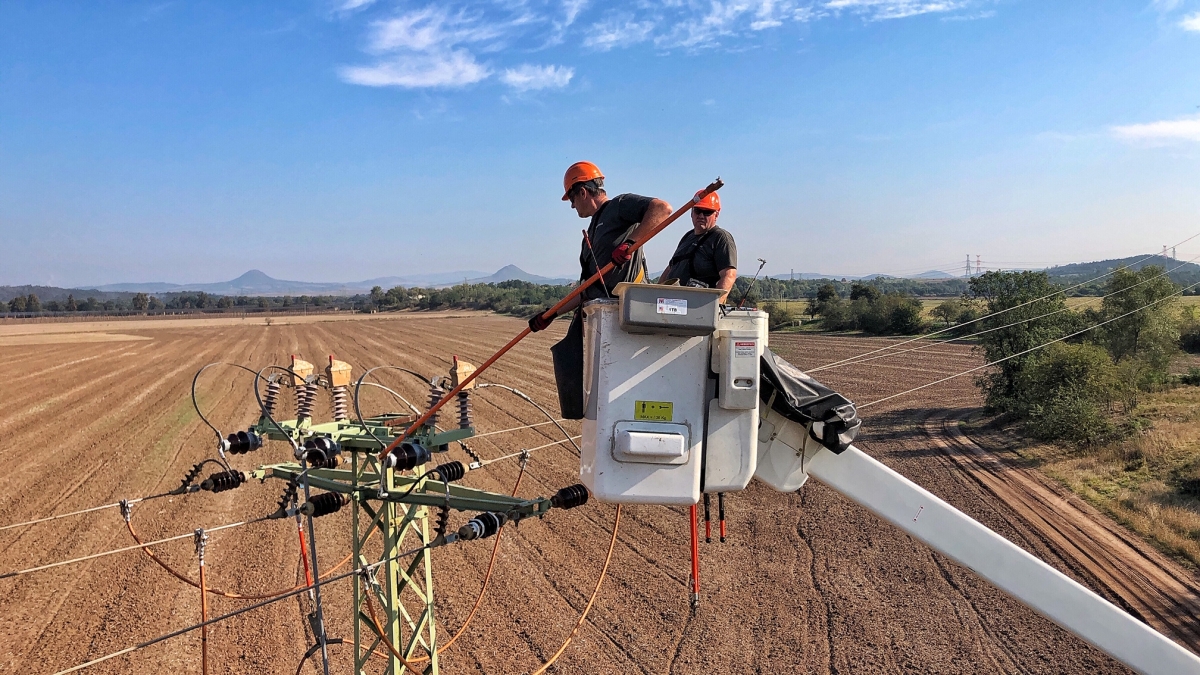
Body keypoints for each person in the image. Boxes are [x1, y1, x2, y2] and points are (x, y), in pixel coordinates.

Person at [527, 161, 672, 418]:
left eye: (571, 199)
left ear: (583, 191)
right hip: (604, 323)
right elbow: (586, 290)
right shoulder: (591, 233)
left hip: (629, 316)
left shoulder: (618, 206)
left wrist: (629, 244)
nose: (572, 206)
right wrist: (549, 315)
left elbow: (662, 209)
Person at [659, 189, 737, 303]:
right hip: (674, 303)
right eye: (698, 210)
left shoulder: (721, 238)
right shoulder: (688, 236)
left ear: (716, 214)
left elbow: (729, 275)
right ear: (691, 212)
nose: (701, 215)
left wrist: (714, 307)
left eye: (707, 212)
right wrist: (656, 293)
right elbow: (671, 267)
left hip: (698, 307)